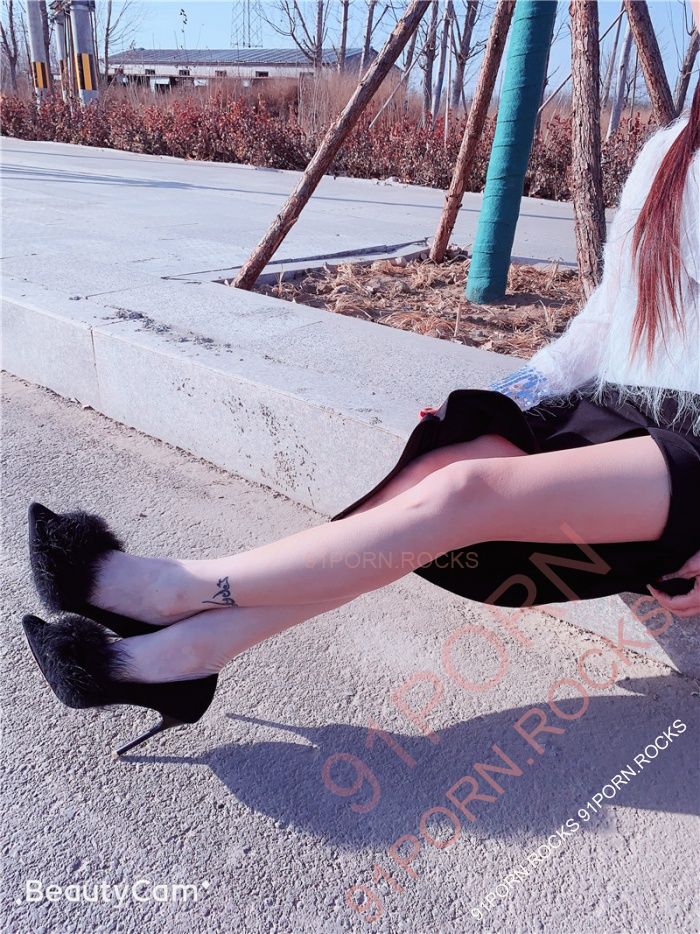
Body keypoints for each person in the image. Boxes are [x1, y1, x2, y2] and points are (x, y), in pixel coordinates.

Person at [22, 7, 700, 756]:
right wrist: (514, 396)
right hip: (618, 415)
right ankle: (184, 656)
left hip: (691, 453)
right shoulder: (672, 148)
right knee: (440, 462)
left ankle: (173, 591)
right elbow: (608, 318)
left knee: (463, 491)